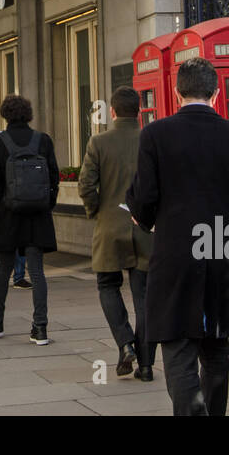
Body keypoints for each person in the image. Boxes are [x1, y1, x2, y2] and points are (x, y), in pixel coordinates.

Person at [127, 57, 229, 415]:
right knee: (217, 347)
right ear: (217, 93)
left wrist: (147, 219)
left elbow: (143, 200)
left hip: (176, 254)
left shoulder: (155, 134)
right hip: (224, 250)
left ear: (176, 93)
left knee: (178, 348)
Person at [79, 86, 155, 381]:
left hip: (110, 226)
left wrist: (97, 212)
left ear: (112, 111)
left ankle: (125, 344)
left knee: (107, 286)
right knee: (145, 297)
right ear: (140, 109)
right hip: (145, 228)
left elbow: (86, 185)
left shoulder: (99, 142)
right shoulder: (152, 139)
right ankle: (146, 366)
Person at [0, 95, 59, 346]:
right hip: (38, 214)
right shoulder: (43, 140)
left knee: (4, 268)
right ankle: (40, 328)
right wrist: (47, 205)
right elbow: (54, 177)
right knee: (37, 271)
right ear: (28, 114)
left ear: (5, 114)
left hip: (9, 213)